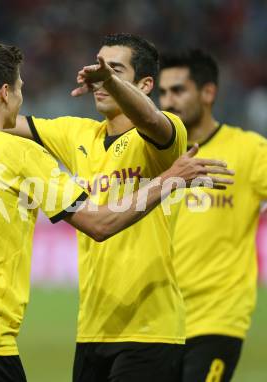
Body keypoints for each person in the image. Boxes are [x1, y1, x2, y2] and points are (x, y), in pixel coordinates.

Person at [0, 34, 233, 382]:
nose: (100, 79)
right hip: (92, 329)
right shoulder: (76, 134)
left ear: (146, 85)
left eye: (115, 71)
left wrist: (112, 84)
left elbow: (150, 118)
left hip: (151, 329)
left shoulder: (165, 137)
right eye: (98, 68)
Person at [158, 49, 267, 382]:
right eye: (162, 93)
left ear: (208, 93)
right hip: (159, 322)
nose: (167, 102)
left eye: (178, 91)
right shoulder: (155, 154)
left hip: (216, 320)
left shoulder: (248, 151)